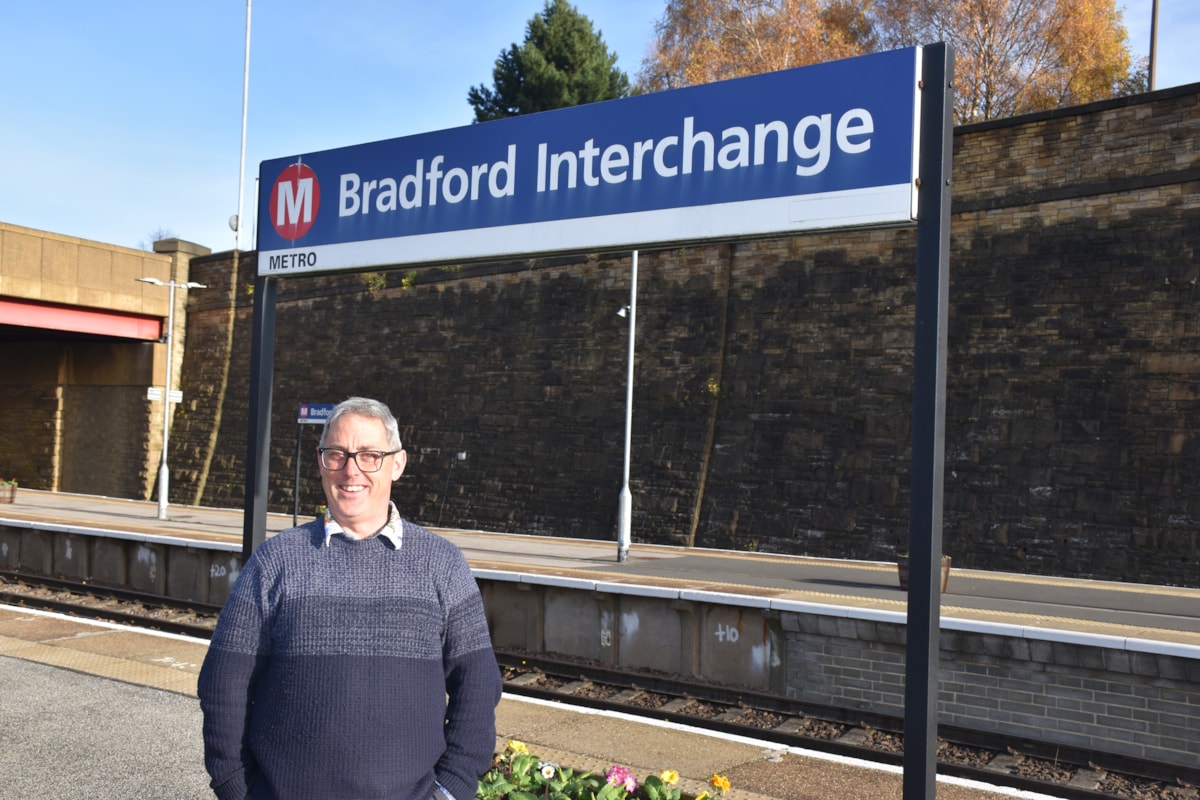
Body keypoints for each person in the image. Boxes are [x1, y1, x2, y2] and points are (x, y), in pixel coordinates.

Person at [198, 396, 501, 800]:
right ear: (321, 462)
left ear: (398, 463)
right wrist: (238, 788)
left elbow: (478, 686)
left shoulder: (442, 565)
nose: (350, 470)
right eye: (336, 455)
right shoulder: (275, 562)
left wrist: (452, 789)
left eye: (369, 455)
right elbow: (222, 684)